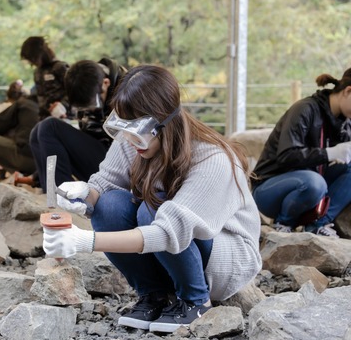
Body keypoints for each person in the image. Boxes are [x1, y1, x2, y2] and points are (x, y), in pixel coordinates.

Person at [42, 65, 262, 333]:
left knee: (152, 210)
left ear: (162, 121)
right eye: (123, 126)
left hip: (225, 257)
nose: (129, 138)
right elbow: (104, 184)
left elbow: (169, 231)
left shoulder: (213, 158)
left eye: (136, 129)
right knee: (108, 205)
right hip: (170, 245)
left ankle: (195, 302)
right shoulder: (133, 138)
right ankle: (157, 295)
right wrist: (83, 195)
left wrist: (84, 241)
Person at [252, 68, 351, 238]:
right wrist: (329, 153)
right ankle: (283, 224)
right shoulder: (305, 109)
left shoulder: (345, 123)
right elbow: (286, 157)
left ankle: (318, 224)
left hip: (311, 189)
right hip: (270, 189)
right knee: (315, 182)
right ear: (348, 91)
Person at [25, 58, 126, 192]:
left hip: (119, 165)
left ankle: (62, 195)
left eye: (91, 106)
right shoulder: (85, 84)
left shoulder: (127, 93)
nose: (89, 110)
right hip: (99, 156)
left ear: (105, 84)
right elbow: (87, 138)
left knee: (49, 127)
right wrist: (37, 175)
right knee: (36, 132)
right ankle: (49, 191)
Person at [0, 82, 40, 176]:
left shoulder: (21, 104)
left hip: (24, 156)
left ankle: (16, 173)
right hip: (43, 158)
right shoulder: (48, 108)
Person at [20, 36, 69, 119]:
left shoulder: (60, 67)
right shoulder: (37, 72)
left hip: (64, 117)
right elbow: (40, 96)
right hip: (43, 118)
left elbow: (75, 92)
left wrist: (63, 105)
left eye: (33, 59)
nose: (32, 63)